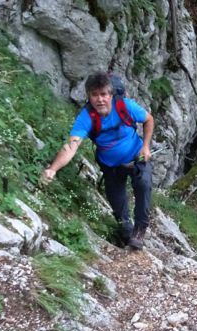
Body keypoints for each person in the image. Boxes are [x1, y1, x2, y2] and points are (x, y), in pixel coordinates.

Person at [41, 71, 155, 250]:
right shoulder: (86, 117)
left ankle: (140, 230)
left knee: (143, 184)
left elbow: (148, 120)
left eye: (103, 94)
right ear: (89, 96)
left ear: (110, 95)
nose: (100, 99)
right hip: (110, 166)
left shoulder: (125, 106)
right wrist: (53, 169)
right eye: (95, 95)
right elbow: (71, 146)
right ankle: (126, 230)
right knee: (117, 203)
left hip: (136, 157)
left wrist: (146, 146)